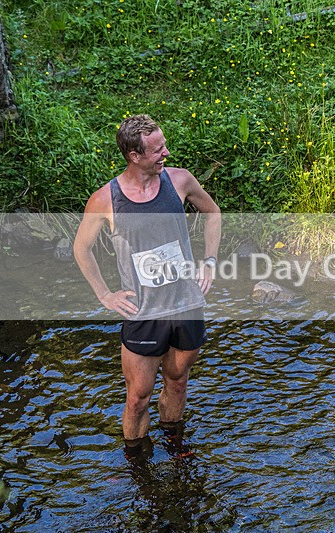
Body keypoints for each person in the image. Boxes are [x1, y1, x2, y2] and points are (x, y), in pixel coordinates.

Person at [74, 114, 221, 459]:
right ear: (134, 155)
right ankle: (137, 462)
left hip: (187, 305)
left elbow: (213, 213)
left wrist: (210, 261)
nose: (166, 153)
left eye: (164, 145)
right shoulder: (106, 200)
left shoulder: (180, 180)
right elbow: (81, 248)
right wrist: (104, 294)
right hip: (143, 313)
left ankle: (174, 444)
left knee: (178, 382)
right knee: (138, 397)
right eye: (157, 150)